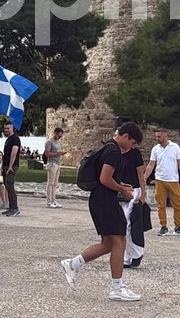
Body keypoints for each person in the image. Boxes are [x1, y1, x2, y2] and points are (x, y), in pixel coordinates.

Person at [59, 122, 143, 302]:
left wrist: (121, 185)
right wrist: (122, 189)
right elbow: (104, 178)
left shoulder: (107, 147)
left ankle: (72, 264)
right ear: (126, 136)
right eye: (134, 143)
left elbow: (106, 178)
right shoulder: (114, 152)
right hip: (105, 201)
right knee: (120, 240)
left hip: (99, 199)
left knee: (107, 243)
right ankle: (117, 288)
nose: (133, 147)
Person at [143, 128, 180, 237]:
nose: (157, 139)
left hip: (173, 179)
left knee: (177, 204)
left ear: (165, 136)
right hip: (160, 179)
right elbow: (151, 164)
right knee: (161, 204)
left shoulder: (175, 147)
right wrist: (144, 177)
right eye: (156, 137)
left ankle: (178, 226)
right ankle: (163, 226)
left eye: (159, 136)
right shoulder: (155, 149)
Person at [117, 132, 147, 270]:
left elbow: (141, 175)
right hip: (119, 191)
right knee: (120, 226)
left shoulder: (135, 154)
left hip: (133, 190)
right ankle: (129, 256)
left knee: (128, 223)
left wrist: (143, 194)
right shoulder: (115, 152)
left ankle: (134, 254)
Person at [1, 121, 22, 217]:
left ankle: (15, 207)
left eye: (8, 128)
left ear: (12, 128)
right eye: (5, 128)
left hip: (12, 166)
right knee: (6, 185)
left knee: (10, 185)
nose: (6, 130)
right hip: (5, 165)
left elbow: (14, 153)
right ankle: (10, 207)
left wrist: (10, 166)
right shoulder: (8, 139)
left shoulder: (15, 139)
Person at [44, 127, 66, 208]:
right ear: (55, 133)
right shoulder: (49, 142)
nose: (60, 137)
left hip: (58, 163)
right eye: (59, 136)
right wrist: (57, 153)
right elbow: (47, 153)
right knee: (50, 183)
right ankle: (49, 201)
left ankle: (54, 200)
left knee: (55, 183)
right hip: (52, 163)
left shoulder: (58, 142)